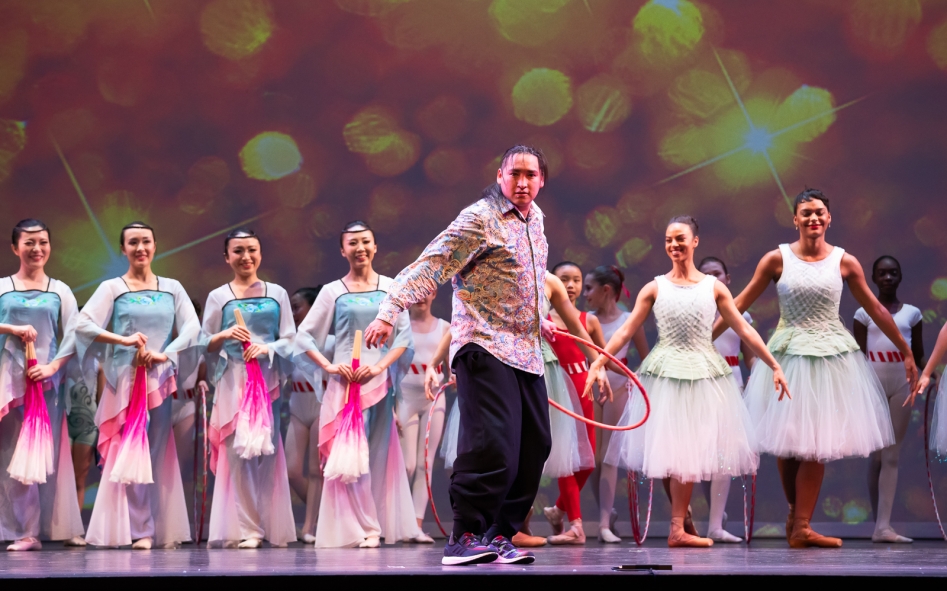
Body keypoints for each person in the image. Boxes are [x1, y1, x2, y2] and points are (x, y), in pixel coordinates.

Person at [367, 145, 607, 566]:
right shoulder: (479, 218)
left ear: (542, 181)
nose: (522, 182)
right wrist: (389, 311)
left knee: (535, 445)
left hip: (526, 350)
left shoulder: (536, 220)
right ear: (500, 176)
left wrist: (539, 319)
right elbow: (432, 263)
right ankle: (464, 536)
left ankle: (498, 534)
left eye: (530, 175)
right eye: (515, 174)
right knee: (492, 442)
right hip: (483, 344)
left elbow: (525, 279)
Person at [728, 188, 917, 548]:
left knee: (815, 443)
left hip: (829, 358)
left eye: (819, 213)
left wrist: (906, 350)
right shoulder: (776, 259)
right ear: (795, 219)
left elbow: (876, 309)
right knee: (788, 444)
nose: (813, 218)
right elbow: (736, 304)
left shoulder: (844, 261)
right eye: (806, 213)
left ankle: (802, 525)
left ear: (829, 218)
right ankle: (795, 513)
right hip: (788, 355)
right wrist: (705, 336)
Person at [587, 215, 788, 548]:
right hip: (667, 374)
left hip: (702, 373)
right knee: (674, 451)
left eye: (680, 238)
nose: (674, 245)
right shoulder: (655, 287)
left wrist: (773, 364)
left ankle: (679, 526)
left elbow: (743, 328)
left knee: (690, 450)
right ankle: (679, 526)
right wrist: (599, 361)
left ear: (695, 241)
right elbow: (625, 330)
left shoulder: (713, 287)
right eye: (669, 239)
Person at [76, 222, 201, 549]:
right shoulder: (112, 287)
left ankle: (150, 527)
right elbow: (83, 324)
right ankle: (133, 529)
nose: (140, 248)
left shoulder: (172, 288)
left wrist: (165, 354)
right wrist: (123, 340)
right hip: (124, 381)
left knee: (155, 451)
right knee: (124, 451)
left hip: (158, 379)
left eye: (146, 241)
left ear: (155, 245)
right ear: (123, 249)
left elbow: (192, 328)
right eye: (133, 242)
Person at [295, 221, 418, 549]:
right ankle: (359, 528)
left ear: (375, 246)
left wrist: (378, 368)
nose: (360, 248)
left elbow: (403, 338)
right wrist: (328, 366)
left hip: (377, 383)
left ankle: (373, 525)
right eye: (353, 243)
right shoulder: (332, 291)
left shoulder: (392, 287)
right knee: (348, 456)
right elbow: (304, 336)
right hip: (344, 384)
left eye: (365, 241)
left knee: (376, 456)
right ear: (342, 250)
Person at [202, 228, 296, 548]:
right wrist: (225, 335)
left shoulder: (277, 293)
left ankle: (271, 524)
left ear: (260, 253)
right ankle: (248, 529)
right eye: (238, 251)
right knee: (237, 455)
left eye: (252, 250)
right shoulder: (219, 296)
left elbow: (290, 339)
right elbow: (205, 342)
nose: (246, 257)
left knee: (268, 453)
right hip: (233, 379)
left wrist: (267, 349)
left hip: (267, 380)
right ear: (226, 257)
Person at [0, 219, 85, 550]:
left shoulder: (59, 290)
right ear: (15, 248)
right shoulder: (4, 286)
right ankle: (23, 531)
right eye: (29, 242)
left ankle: (49, 527)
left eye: (43, 242)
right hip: (9, 383)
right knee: (11, 454)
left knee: (45, 456)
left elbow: (75, 335)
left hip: (46, 383)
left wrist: (53, 367)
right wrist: (11, 329)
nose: (37, 249)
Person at [854, 255, 924, 543]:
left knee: (891, 455)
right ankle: (878, 523)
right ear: (873, 278)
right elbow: (859, 356)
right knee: (877, 456)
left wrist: (930, 376)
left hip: (902, 386)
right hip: (873, 386)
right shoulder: (863, 314)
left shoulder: (913, 314)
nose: (887, 278)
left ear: (900, 277)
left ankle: (884, 526)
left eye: (893, 273)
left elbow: (918, 355)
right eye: (882, 273)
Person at [542, 262, 608, 545]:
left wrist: (601, 371)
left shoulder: (588, 320)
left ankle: (558, 510)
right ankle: (576, 526)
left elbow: (600, 355)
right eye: (564, 279)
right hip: (557, 389)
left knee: (588, 460)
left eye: (577, 280)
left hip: (584, 387)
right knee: (566, 456)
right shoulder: (542, 318)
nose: (570, 285)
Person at [584, 265, 649, 543]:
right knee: (593, 459)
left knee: (609, 456)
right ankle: (606, 514)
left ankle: (603, 525)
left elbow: (646, 357)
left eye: (589, 288)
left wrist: (637, 381)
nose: (585, 294)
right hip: (592, 385)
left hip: (619, 387)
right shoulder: (586, 320)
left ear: (606, 290)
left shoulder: (628, 319)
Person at [697, 255, 757, 543]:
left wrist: (759, 376)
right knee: (699, 456)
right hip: (699, 384)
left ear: (728, 278)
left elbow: (750, 356)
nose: (713, 279)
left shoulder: (742, 315)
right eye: (706, 274)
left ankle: (715, 525)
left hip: (731, 384)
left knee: (724, 456)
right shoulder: (694, 313)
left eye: (717, 273)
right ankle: (699, 518)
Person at [399, 292, 449, 544]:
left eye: (426, 290)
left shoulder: (444, 327)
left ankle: (415, 526)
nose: (421, 296)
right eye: (415, 291)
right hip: (405, 397)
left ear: (434, 293)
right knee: (406, 465)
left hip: (434, 398)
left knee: (424, 465)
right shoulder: (399, 325)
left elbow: (452, 367)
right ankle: (398, 521)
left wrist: (455, 376)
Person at [286, 286, 327, 544]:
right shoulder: (291, 341)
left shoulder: (329, 341)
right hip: (297, 408)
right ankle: (324, 514)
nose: (293, 313)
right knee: (291, 470)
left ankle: (309, 527)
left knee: (315, 469)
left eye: (297, 307)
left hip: (321, 405)